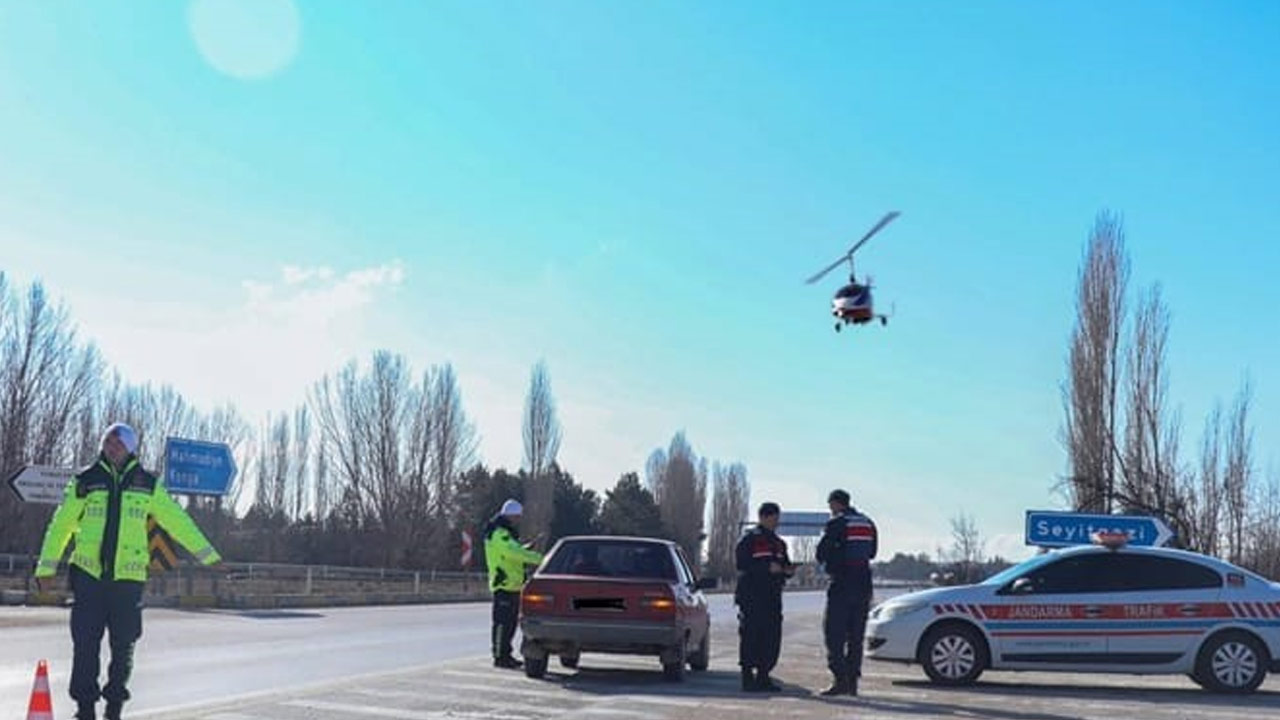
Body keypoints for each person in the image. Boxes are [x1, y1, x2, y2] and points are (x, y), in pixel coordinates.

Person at [34, 423, 223, 720]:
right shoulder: (86, 480)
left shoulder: (146, 483)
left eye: (118, 442)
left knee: (123, 647)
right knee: (85, 645)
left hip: (128, 579)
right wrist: (46, 567)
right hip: (89, 576)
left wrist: (208, 555)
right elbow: (61, 526)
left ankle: (114, 707)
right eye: (108, 441)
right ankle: (85, 709)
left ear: (131, 447)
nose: (112, 446)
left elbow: (177, 521)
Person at [815, 488, 878, 696]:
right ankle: (852, 681)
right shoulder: (868, 523)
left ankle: (839, 679)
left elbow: (821, 553)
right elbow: (872, 552)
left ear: (835, 503)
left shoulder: (838, 523)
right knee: (856, 635)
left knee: (834, 632)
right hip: (863, 583)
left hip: (842, 582)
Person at [734, 502, 794, 692]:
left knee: (771, 638)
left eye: (778, 519)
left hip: (772, 597)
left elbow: (785, 564)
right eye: (773, 519)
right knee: (751, 635)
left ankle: (763, 676)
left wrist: (787, 571)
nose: (776, 523)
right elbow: (741, 564)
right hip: (752, 596)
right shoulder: (750, 540)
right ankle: (747, 677)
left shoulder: (779, 543)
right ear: (763, 518)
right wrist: (766, 568)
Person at [483, 499, 544, 669]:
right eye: (517, 517)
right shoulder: (499, 533)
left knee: (510, 623)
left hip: (513, 585)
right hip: (503, 585)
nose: (518, 520)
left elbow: (514, 550)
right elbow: (511, 552)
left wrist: (527, 548)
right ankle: (499, 656)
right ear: (511, 515)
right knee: (502, 623)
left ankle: (506, 654)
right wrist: (539, 558)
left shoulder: (506, 533)